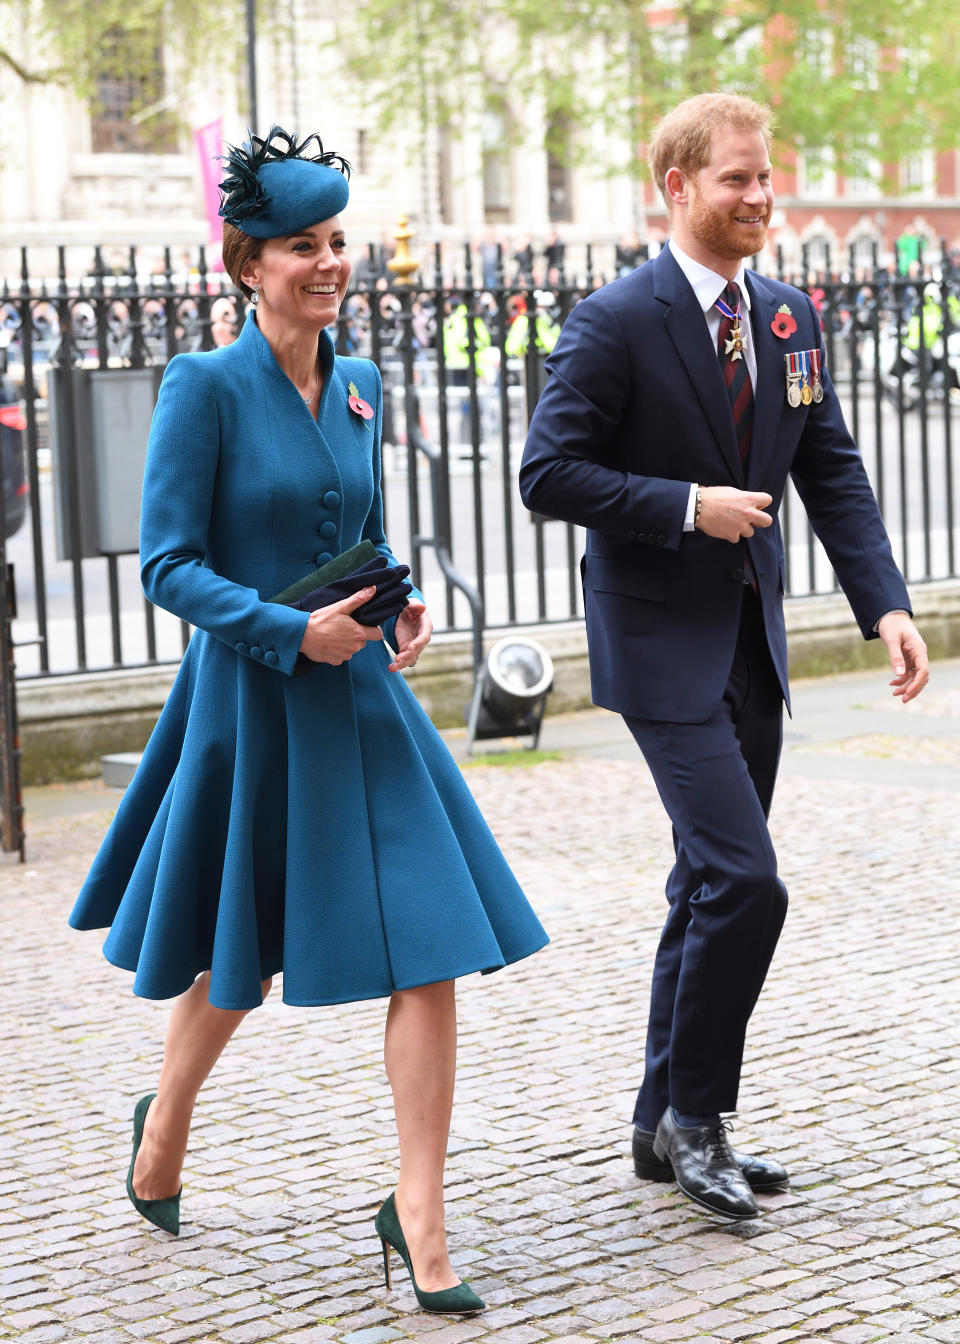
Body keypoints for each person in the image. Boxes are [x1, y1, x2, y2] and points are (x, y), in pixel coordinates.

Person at [69, 126, 548, 1313]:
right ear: (248, 264)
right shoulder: (204, 387)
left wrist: (396, 601)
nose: (328, 263)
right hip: (252, 701)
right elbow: (169, 566)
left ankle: (420, 1214)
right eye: (302, 246)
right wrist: (291, 633)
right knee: (241, 961)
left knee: (432, 947)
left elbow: (348, 526)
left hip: (366, 698)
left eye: (337, 243)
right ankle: (165, 1120)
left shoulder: (364, 382)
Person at [519, 93, 927, 1222]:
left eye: (766, 178)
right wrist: (684, 505)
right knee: (747, 881)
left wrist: (882, 606)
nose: (761, 197)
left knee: (705, 882)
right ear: (679, 188)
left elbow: (831, 471)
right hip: (659, 646)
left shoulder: (789, 316)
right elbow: (547, 474)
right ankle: (700, 1119)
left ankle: (660, 1124)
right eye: (737, 179)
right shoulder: (614, 321)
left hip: (755, 646)